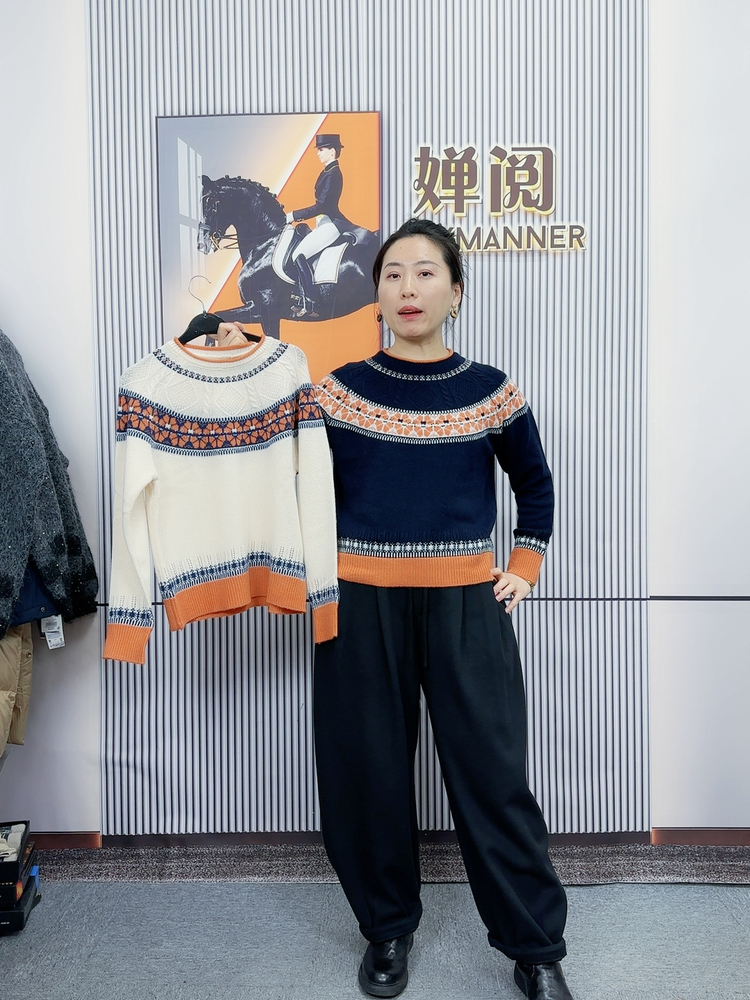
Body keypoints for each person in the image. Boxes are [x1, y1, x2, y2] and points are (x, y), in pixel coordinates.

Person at [311, 218, 574, 1000]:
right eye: (393, 274)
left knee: (493, 776)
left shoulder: (491, 389)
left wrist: (524, 565)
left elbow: (535, 484)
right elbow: (291, 486)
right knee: (367, 774)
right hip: (360, 608)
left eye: (426, 273)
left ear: (456, 292)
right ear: (376, 295)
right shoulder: (337, 391)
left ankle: (536, 948)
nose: (408, 288)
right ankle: (387, 930)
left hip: (467, 606)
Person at [283, 133, 355, 316]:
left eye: (321, 149)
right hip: (323, 222)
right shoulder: (327, 171)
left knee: (298, 254)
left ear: (332, 151)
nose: (318, 153)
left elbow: (322, 206)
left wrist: (294, 215)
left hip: (331, 223)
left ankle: (310, 303)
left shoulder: (333, 174)